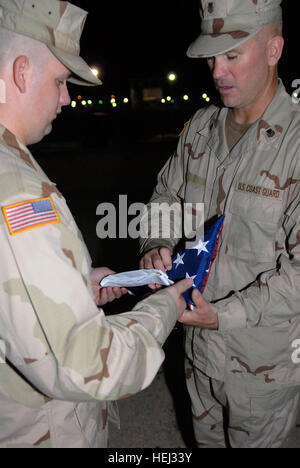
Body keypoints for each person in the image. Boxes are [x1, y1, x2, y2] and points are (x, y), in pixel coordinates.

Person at [0, 0, 193, 448]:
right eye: (61, 80)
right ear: (23, 73)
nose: (67, 97)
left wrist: (73, 286)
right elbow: (84, 364)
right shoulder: (15, 187)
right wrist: (164, 306)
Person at [139, 0, 300, 448]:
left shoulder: (295, 146)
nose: (216, 71)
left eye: (232, 55)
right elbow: (166, 197)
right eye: (212, 57)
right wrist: (156, 242)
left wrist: (222, 316)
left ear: (273, 51)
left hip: (263, 370)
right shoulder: (200, 130)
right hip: (197, 351)